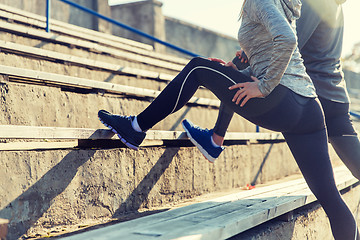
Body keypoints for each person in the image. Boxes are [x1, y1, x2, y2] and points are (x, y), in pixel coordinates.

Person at [98, 0, 359, 238]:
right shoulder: (286, 4)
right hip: (309, 107)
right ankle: (203, 136)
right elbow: (271, 50)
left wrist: (264, 86)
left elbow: (288, 40)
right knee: (330, 198)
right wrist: (240, 71)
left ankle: (135, 128)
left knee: (197, 67)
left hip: (284, 98)